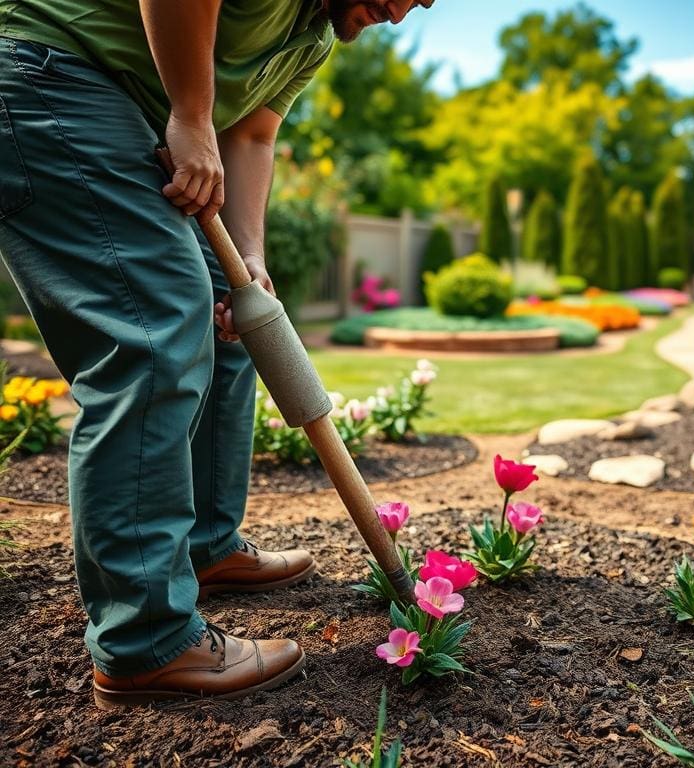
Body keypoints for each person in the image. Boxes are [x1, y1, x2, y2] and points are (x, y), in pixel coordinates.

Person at [0, 0, 433, 708]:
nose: (410, 6)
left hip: (122, 106)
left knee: (231, 319)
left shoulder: (311, 38)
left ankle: (205, 546)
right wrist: (192, 114)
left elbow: (254, 134)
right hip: (51, 69)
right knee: (157, 328)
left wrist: (251, 260)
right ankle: (146, 641)